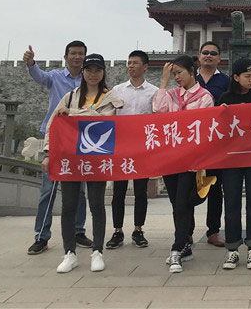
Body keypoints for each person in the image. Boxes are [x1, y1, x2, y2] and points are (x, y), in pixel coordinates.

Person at [42, 53, 122, 274]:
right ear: (83, 73)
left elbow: (102, 119)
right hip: (70, 156)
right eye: (89, 70)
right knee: (68, 205)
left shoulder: (110, 97)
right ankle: (70, 253)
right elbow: (54, 124)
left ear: (103, 72)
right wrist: (48, 152)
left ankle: (97, 251)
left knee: (97, 204)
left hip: (97, 156)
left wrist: (72, 114)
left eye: (97, 70)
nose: (93, 74)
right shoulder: (69, 96)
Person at [23, 41, 92, 255]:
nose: (77, 57)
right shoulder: (55, 78)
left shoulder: (89, 80)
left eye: (81, 54)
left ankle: (78, 231)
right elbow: (39, 77)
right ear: (65, 57)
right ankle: (41, 236)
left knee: (80, 191)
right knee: (48, 191)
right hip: (54, 139)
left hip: (79, 140)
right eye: (73, 53)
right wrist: (31, 63)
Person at [153, 55, 215, 273]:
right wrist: (164, 81)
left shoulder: (205, 97)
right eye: (174, 73)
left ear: (192, 71)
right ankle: (187, 240)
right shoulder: (170, 94)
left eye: (180, 73)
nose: (176, 77)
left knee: (181, 202)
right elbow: (158, 111)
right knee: (176, 203)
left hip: (191, 160)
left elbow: (200, 123)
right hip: (170, 159)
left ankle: (176, 249)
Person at [218, 58, 251, 270]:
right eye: (247, 76)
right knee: (231, 203)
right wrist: (220, 113)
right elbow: (217, 129)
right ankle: (232, 249)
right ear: (236, 77)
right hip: (231, 158)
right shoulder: (225, 98)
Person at [106, 50, 158, 250]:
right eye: (129, 63)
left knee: (140, 191)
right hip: (121, 147)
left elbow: (158, 116)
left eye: (135, 63)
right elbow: (108, 114)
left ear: (145, 66)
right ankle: (117, 231)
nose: (131, 66)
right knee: (118, 192)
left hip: (142, 148)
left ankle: (138, 230)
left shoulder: (153, 92)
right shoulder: (117, 90)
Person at [195, 41, 230, 248]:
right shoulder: (190, 79)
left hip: (217, 143)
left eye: (213, 53)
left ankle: (213, 231)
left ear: (219, 58)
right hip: (193, 143)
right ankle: (186, 231)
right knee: (188, 188)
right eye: (205, 52)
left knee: (215, 188)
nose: (208, 56)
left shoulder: (225, 81)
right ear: (199, 56)